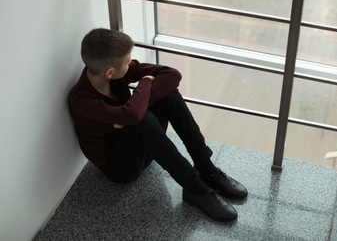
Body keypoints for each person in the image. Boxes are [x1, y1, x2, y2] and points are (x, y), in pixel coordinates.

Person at [68, 28, 247, 223]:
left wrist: (131, 112)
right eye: (128, 62)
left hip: (144, 147)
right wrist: (144, 84)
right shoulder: (81, 100)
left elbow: (172, 75)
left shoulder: (116, 73)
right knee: (141, 119)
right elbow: (134, 114)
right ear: (110, 72)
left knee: (167, 94)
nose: (131, 64)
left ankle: (205, 166)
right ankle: (195, 188)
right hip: (120, 168)